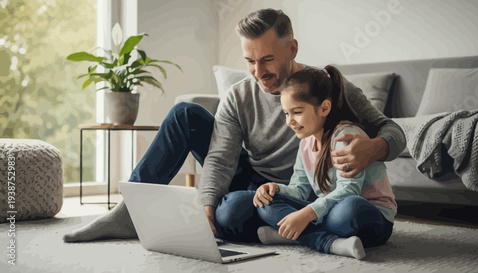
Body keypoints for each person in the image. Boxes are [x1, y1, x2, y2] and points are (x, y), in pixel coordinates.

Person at [63, 8, 405, 243]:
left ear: (293, 48)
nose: (259, 72)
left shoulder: (324, 87)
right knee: (186, 114)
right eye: (250, 61)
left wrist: (376, 147)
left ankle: (288, 228)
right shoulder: (239, 95)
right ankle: (127, 213)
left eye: (268, 59)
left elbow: (394, 131)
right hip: (260, 186)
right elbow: (221, 157)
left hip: (308, 191)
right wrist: (207, 207)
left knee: (238, 217)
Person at [253, 66, 397, 260]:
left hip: (370, 218)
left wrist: (308, 213)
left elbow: (349, 191)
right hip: (330, 212)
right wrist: (275, 189)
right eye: (286, 113)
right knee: (266, 204)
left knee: (348, 210)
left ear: (324, 108)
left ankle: (295, 235)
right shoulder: (305, 143)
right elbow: (299, 189)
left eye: (296, 112)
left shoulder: (346, 136)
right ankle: (327, 242)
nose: (290, 121)